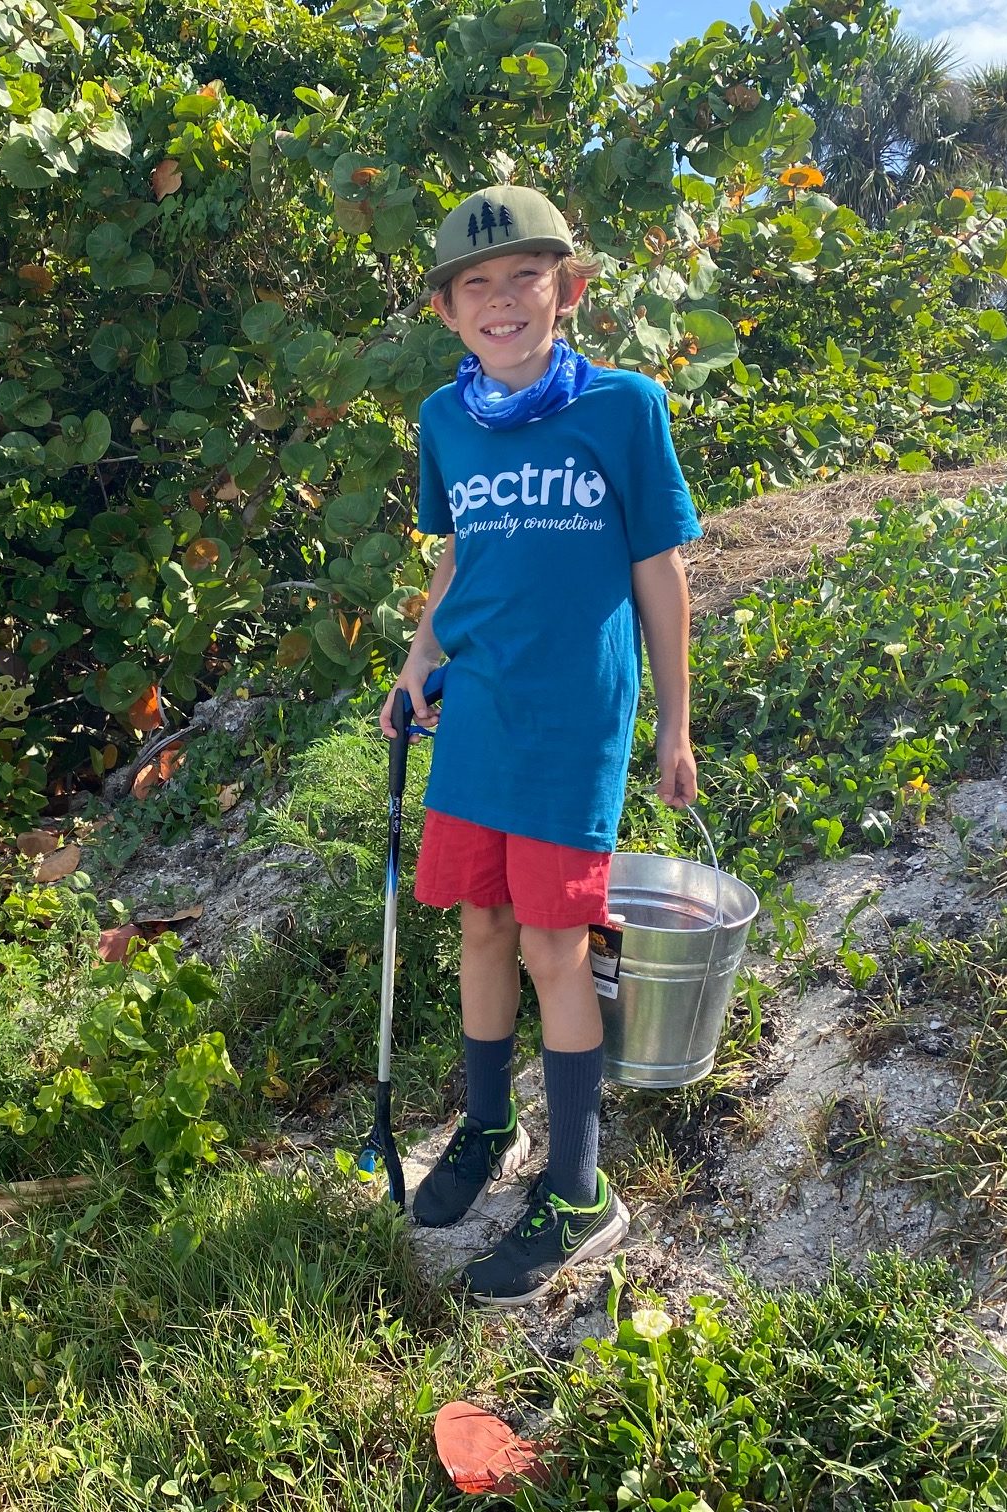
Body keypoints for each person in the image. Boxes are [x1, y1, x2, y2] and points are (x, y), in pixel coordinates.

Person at [380, 184, 700, 1307]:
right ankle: (487, 1128)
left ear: (568, 288)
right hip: (477, 712)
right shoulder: (444, 420)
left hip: (572, 725)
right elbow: (459, 557)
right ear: (449, 309)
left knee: (556, 948)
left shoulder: (624, 407)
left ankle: (578, 1189)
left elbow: (660, 567)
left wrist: (675, 719)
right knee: (481, 925)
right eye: (479, 283)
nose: (503, 299)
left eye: (527, 276)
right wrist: (419, 666)